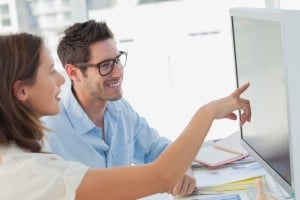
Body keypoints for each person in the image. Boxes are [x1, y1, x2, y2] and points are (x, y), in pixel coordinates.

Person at [0, 32, 250, 200]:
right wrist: (207, 113)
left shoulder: (25, 146)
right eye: (50, 71)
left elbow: (157, 150)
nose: (59, 80)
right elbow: (161, 176)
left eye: (117, 61)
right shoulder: (25, 172)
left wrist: (182, 168)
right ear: (22, 90)